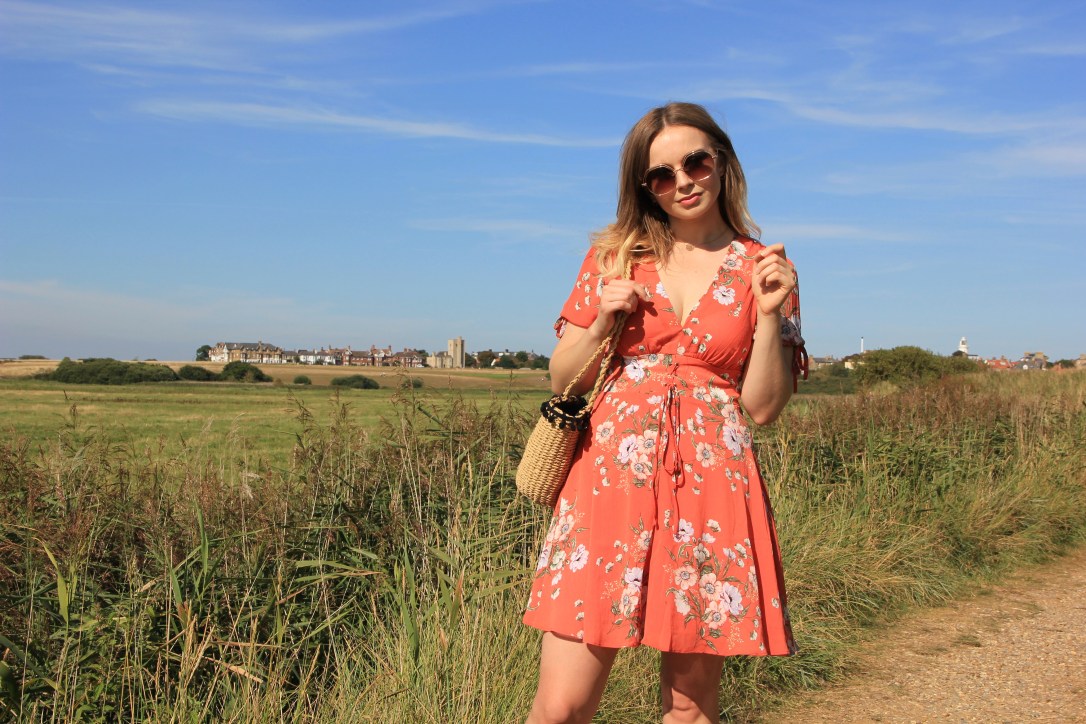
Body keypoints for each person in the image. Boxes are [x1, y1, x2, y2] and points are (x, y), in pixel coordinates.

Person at [523, 102, 807, 724]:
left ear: (722, 163)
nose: (682, 181)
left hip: (711, 492)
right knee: (560, 707)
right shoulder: (615, 256)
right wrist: (602, 321)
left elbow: (761, 407)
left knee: (689, 709)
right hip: (608, 484)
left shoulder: (766, 268)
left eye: (695, 161)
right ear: (644, 187)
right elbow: (562, 379)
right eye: (660, 174)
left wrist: (767, 314)